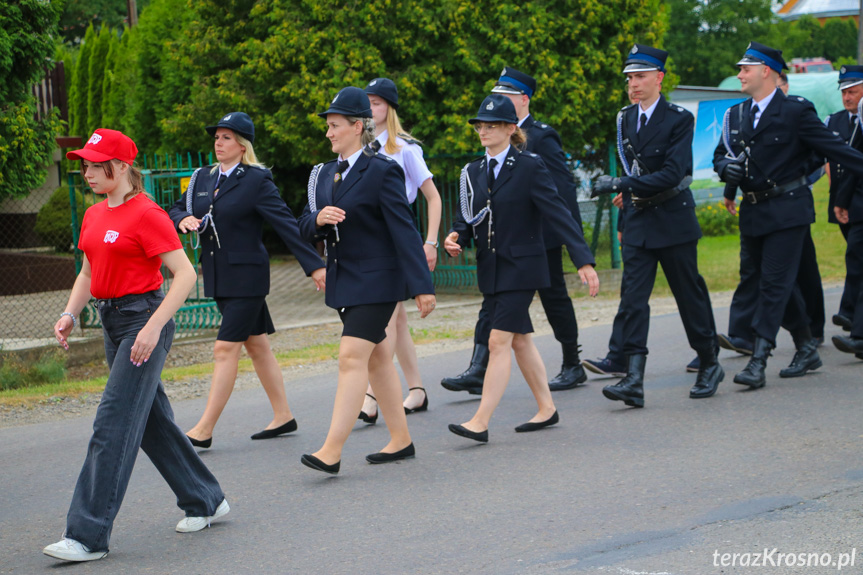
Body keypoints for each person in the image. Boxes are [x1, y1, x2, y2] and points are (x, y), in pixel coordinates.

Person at [44, 129, 228, 563]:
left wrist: (152, 327)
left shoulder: (147, 214)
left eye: (96, 164)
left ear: (123, 166)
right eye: (85, 164)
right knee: (148, 422)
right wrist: (71, 313)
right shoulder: (93, 215)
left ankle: (86, 535)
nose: (87, 172)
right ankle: (205, 497)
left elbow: (184, 275)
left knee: (112, 423)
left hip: (144, 321)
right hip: (112, 322)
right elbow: (88, 273)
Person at [444, 94, 599, 443]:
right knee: (520, 341)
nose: (484, 130)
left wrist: (583, 260)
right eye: (480, 125)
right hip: (492, 267)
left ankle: (480, 421)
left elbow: (557, 212)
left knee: (498, 340)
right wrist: (456, 236)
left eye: (492, 125)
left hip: (524, 266)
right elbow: (466, 218)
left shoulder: (529, 165)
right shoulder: (471, 171)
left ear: (511, 128)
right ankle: (547, 408)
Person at [297, 87, 436, 474]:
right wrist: (318, 220)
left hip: (378, 282)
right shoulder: (325, 173)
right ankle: (401, 440)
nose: (328, 133)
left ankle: (332, 449)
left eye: (335, 125)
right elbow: (302, 224)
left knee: (351, 357)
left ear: (357, 126)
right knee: (377, 361)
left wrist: (422, 286)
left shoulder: (382, 170)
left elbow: (404, 231)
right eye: (327, 126)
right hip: (347, 281)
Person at [168, 113, 325, 448]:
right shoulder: (202, 178)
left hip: (248, 278)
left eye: (226, 137)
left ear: (242, 145)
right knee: (257, 345)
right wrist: (184, 219)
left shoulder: (256, 180)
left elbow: (286, 224)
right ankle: (283, 415)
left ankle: (204, 429)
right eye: (216, 137)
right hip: (219, 277)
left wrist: (314, 266)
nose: (218, 143)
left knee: (225, 349)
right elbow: (175, 208)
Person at [713, 41, 863, 388]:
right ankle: (806, 345)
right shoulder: (735, 114)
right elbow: (722, 154)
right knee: (780, 283)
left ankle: (759, 359)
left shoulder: (796, 110)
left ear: (766, 70)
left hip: (788, 210)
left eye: (745, 69)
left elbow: (833, 149)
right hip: (753, 212)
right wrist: (726, 170)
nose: (740, 74)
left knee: (774, 284)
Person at [591, 44, 723, 408]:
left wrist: (621, 185)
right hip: (639, 220)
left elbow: (671, 174)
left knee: (688, 295)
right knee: (633, 300)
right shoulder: (625, 118)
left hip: (673, 218)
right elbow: (636, 170)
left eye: (640, 77)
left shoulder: (678, 118)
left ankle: (710, 362)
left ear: (659, 78)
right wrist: (629, 193)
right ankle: (634, 378)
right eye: (630, 78)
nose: (633, 84)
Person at [358, 77, 442, 421]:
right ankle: (417, 390)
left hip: (396, 238)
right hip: (370, 239)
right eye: (367, 103)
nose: (370, 109)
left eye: (377, 103)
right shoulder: (359, 147)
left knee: (386, 320)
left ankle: (369, 396)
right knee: (398, 320)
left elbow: (433, 197)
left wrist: (430, 241)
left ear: (389, 108)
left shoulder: (405, 149)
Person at [823, 65, 863, 331]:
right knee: (855, 255)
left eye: (853, 91)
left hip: (859, 200)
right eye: (844, 92)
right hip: (841, 200)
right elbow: (827, 160)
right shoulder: (833, 121)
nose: (848, 97)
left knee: (856, 255)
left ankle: (850, 313)